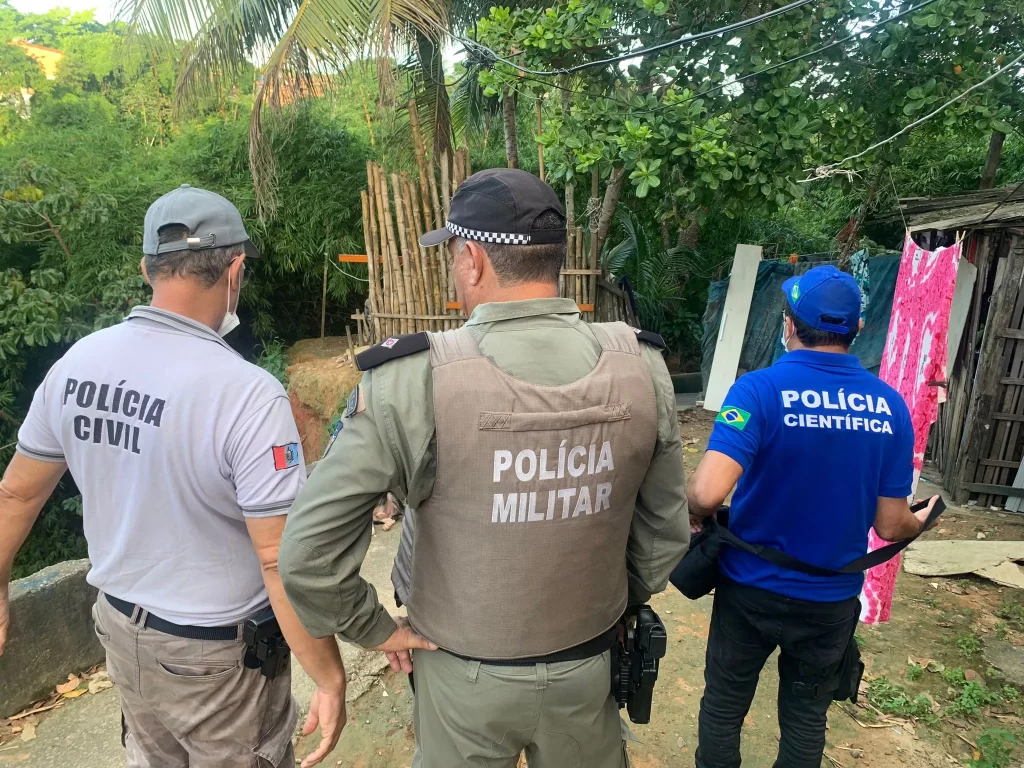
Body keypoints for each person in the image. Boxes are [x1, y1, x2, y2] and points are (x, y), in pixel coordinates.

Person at [278, 168, 690, 768]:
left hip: (460, 677)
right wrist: (612, 603)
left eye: (452, 255)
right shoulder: (641, 365)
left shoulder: (412, 379)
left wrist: (375, 629)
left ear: (470, 259)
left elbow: (307, 555)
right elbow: (664, 535)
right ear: (555, 258)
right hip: (588, 662)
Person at [0, 185, 346, 768]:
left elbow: (15, 492)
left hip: (120, 629)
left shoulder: (77, 364)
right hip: (217, 661)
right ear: (235, 270)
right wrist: (329, 676)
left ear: (146, 269)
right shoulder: (246, 394)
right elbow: (277, 559)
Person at [686, 265, 939, 768]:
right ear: (858, 329)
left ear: (788, 324)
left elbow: (707, 494)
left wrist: (695, 512)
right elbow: (891, 526)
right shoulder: (890, 407)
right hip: (829, 600)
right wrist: (923, 519)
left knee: (724, 706)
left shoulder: (757, 390)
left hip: (749, 589)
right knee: (805, 719)